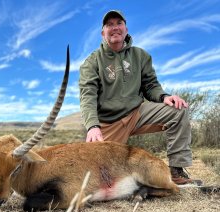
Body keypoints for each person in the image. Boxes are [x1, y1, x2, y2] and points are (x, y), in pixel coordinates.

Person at [79, 9, 200, 185]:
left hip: (137, 113)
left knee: (177, 110)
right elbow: (87, 95)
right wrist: (92, 126)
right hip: (109, 123)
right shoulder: (92, 62)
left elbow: (150, 85)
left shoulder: (140, 55)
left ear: (126, 29)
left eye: (119, 23)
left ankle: (176, 170)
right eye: (109, 25)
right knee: (97, 178)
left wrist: (164, 96)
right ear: (103, 32)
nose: (115, 28)